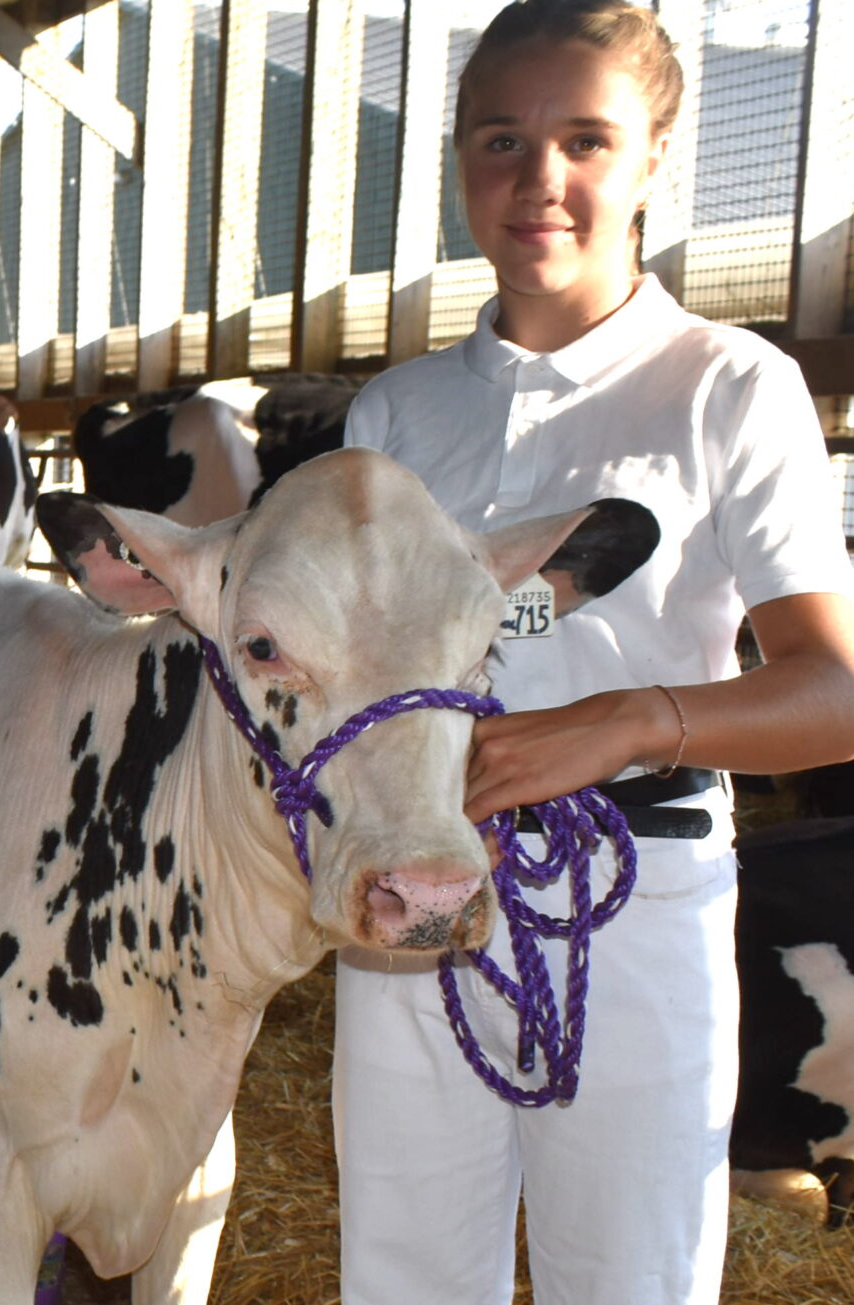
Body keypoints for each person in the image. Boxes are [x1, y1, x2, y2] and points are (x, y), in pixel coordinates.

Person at [332, 4, 854, 1302]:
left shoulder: (728, 384)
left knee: (628, 1277)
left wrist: (625, 720)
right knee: (403, 1273)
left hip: (638, 902)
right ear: (458, 160)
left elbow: (835, 689)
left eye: (584, 138)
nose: (538, 179)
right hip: (414, 890)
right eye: (501, 139)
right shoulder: (397, 411)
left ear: (654, 162)